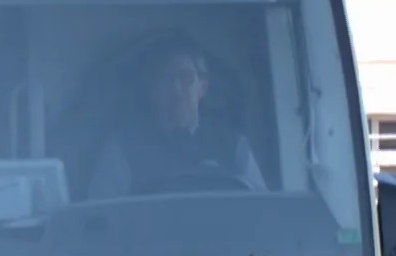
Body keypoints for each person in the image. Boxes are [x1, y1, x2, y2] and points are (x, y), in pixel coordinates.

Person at [86, 37, 269, 199]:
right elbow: (101, 217)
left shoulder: (234, 144)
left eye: (186, 77)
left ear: (203, 87)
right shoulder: (122, 147)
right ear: (152, 89)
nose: (176, 89)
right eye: (166, 79)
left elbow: (260, 210)